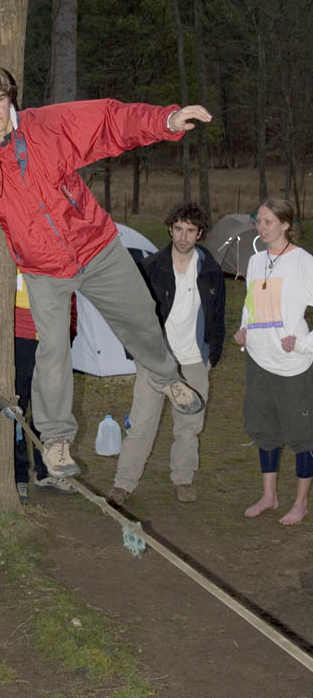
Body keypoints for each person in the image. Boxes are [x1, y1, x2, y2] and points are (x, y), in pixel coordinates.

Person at [0, 63, 212, 480]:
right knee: (52, 350)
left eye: (0, 98)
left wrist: (165, 120)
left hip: (97, 246)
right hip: (44, 270)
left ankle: (166, 378)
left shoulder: (44, 128)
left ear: (9, 98)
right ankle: (55, 441)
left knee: (140, 315)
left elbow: (108, 120)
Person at [108, 202, 225, 506]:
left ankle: (183, 478)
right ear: (170, 229)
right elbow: (131, 316)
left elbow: (218, 316)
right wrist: (137, 355)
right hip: (155, 362)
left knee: (189, 427)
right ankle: (123, 484)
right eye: (178, 229)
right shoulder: (151, 269)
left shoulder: (211, 271)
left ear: (199, 233)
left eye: (190, 230)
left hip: (194, 361)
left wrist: (211, 355)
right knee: (141, 425)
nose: (183, 236)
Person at [0, 251, 78, 503]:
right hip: (17, 339)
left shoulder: (47, 248)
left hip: (51, 338)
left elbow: (68, 294)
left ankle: (47, 471)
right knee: (17, 408)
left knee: (51, 407)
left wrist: (70, 330)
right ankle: (18, 476)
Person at [234, 199, 313, 526]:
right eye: (259, 221)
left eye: (267, 222)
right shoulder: (255, 261)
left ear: (285, 225)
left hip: (291, 364)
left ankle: (301, 502)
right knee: (264, 427)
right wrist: (243, 328)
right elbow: (252, 302)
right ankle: (269, 496)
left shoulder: (302, 262)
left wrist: (305, 343)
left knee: (301, 433)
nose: (261, 227)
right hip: (258, 359)